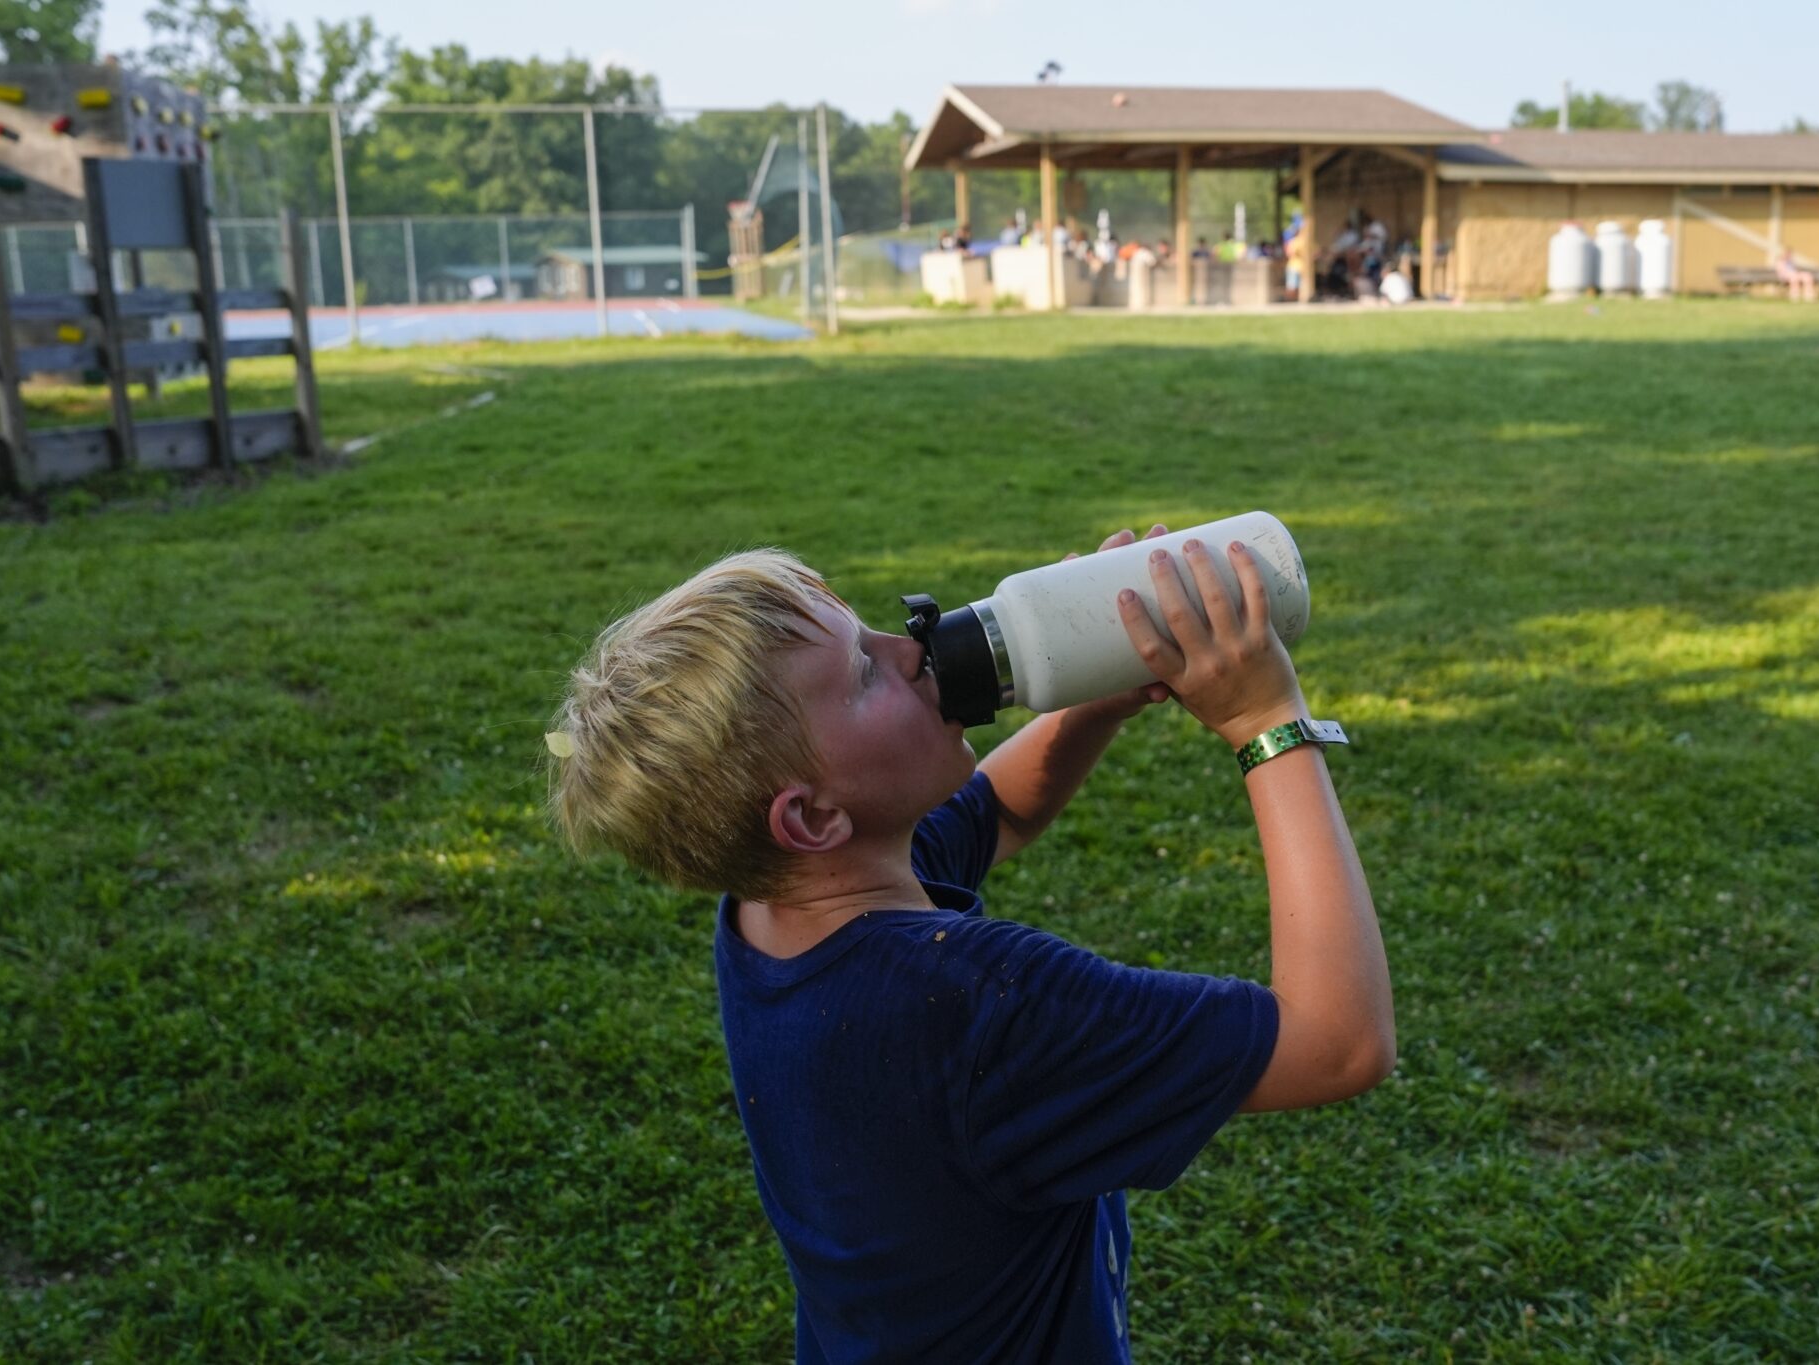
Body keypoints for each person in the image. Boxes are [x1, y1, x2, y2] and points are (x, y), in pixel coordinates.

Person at [549, 531, 1394, 1364]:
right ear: (810, 817)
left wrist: (1096, 681)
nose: (909, 648)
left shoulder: (773, 907)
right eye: (863, 672)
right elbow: (1337, 1042)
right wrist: (1266, 721)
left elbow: (1001, 811)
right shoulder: (982, 1004)